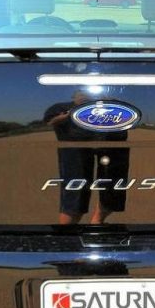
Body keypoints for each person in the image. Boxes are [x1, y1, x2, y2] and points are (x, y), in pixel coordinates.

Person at [43, 92, 130, 225]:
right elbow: (49, 122)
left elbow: (127, 119)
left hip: (109, 142)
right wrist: (67, 115)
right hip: (74, 146)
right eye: (81, 93)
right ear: (74, 96)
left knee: (112, 185)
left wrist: (113, 105)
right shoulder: (60, 108)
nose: (86, 95)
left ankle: (97, 221)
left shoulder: (111, 107)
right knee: (75, 191)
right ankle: (66, 232)